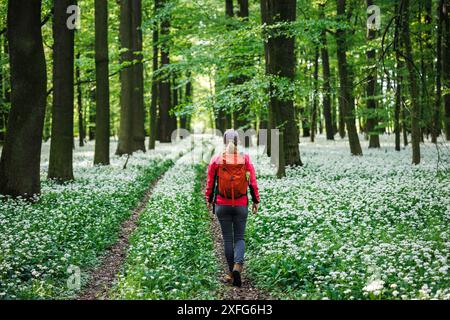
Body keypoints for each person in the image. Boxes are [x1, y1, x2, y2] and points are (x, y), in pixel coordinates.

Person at [205, 129, 260, 287]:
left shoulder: (217, 159)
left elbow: (210, 182)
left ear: (224, 141)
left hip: (222, 204)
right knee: (240, 238)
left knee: (228, 239)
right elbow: (252, 182)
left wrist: (209, 199)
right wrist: (256, 200)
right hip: (241, 204)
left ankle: (230, 273)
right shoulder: (245, 159)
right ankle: (237, 266)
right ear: (238, 142)